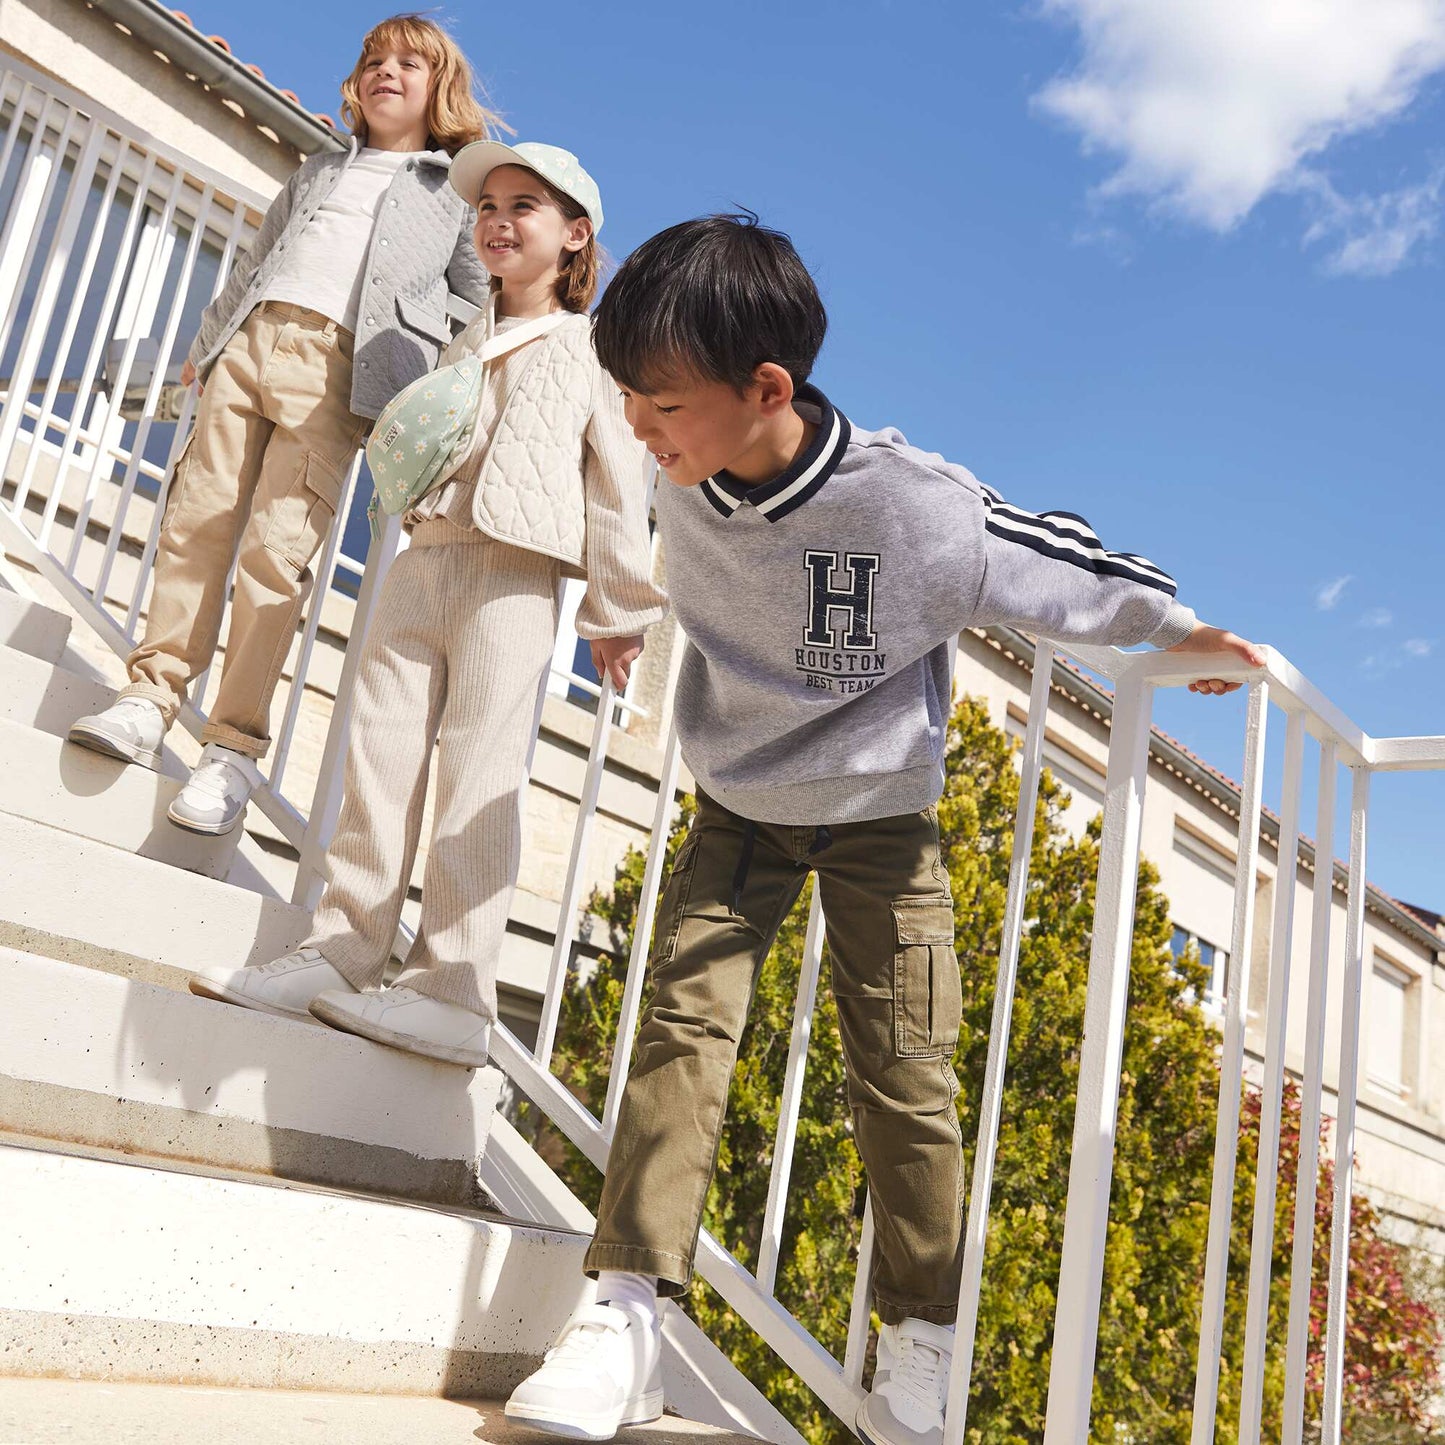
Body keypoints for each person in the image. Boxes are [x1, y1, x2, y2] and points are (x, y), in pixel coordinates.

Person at [502, 214, 1265, 1445]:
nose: (638, 426)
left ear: (767, 389)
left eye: (662, 405)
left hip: (877, 814)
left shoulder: (912, 506)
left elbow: (1049, 559)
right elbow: (635, 511)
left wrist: (1177, 630)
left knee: (906, 1069)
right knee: (683, 1026)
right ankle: (627, 1307)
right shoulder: (679, 467)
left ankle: (921, 1334)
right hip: (738, 800)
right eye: (628, 399)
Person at [188, 142, 666, 1069]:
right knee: (378, 759)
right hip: (422, 560)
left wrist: (616, 612)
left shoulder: (594, 350)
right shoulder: (462, 333)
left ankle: (453, 989)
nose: (497, 220)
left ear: (575, 235)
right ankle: (339, 950)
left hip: (512, 574)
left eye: (522, 206)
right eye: (487, 206)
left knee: (477, 774)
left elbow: (618, 487)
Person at [68, 14, 495, 836]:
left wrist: (427, 369)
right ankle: (149, 697)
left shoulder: (452, 193)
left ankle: (230, 748)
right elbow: (257, 260)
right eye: (373, 59)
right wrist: (205, 346)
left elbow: (476, 304)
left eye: (408, 64)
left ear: (439, 89)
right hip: (250, 342)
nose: (385, 72)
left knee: (276, 552)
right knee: (195, 522)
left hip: (339, 370)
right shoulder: (322, 168)